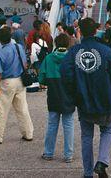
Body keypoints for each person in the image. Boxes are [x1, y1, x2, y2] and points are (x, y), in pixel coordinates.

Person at [60, 18, 111, 178]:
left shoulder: (74, 52)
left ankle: (88, 172)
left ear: (80, 31)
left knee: (86, 136)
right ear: (96, 31)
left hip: (84, 100)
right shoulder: (106, 51)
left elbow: (65, 73)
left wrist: (74, 92)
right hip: (106, 98)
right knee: (108, 129)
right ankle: (102, 162)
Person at [0, 27, 33, 144]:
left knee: (2, 110)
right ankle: (28, 133)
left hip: (7, 82)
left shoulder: (0, 53)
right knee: (22, 108)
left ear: (0, 40)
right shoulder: (19, 47)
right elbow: (25, 63)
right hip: (20, 80)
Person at [39, 33, 75, 162]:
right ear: (68, 44)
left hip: (53, 94)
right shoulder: (71, 58)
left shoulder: (49, 58)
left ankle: (48, 153)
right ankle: (68, 155)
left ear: (56, 44)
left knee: (52, 124)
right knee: (69, 124)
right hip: (68, 95)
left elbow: (42, 78)